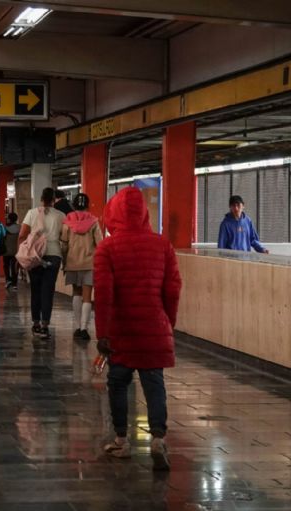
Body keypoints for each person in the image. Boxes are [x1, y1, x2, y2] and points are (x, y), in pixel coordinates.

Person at [93, 186, 182, 471]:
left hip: (121, 330)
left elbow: (103, 294)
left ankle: (122, 440)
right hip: (154, 326)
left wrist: (102, 333)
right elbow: (173, 289)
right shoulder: (163, 245)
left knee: (118, 383)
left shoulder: (107, 248)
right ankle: (158, 438)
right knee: (154, 383)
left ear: (113, 214)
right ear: (144, 213)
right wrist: (168, 322)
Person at [19, 187, 66, 340]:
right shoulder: (61, 215)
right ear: (54, 200)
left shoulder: (32, 213)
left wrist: (23, 254)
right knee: (48, 291)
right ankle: (45, 325)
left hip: (35, 255)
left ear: (41, 199)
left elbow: (22, 235)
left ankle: (36, 323)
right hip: (54, 255)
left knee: (35, 289)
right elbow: (64, 237)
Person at [61, 193, 102, 341]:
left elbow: (64, 245)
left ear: (73, 205)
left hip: (72, 263)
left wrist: (64, 262)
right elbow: (100, 243)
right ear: (87, 205)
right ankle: (84, 328)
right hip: (89, 263)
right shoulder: (94, 222)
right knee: (87, 296)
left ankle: (77, 327)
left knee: (76, 293)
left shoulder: (67, 222)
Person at [3, 212, 20, 290]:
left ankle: (8, 280)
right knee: (15, 267)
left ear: (9, 219)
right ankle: (14, 283)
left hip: (6, 250)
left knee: (6, 266)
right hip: (16, 250)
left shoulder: (4, 228)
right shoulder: (20, 227)